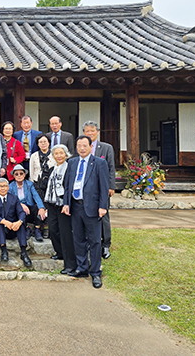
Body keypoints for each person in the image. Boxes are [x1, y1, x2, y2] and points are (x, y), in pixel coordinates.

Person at [63, 136, 110, 288]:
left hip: (92, 207)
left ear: (91, 147)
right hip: (76, 206)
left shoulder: (99, 163)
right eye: (79, 146)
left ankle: (95, 272)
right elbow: (68, 185)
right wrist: (66, 203)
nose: (82, 148)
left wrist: (103, 206)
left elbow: (104, 187)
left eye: (85, 145)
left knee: (95, 241)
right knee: (78, 239)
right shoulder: (72, 162)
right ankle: (82, 268)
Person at [83, 120, 116, 260]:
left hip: (102, 187)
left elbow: (111, 168)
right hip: (86, 188)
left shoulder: (106, 148)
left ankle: (106, 244)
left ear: (97, 132)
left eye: (92, 131)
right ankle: (90, 243)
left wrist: (111, 186)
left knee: (104, 215)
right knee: (87, 214)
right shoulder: (82, 147)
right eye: (87, 131)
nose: (90, 133)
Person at [44, 144, 77, 276]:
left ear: (66, 154)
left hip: (64, 204)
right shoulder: (53, 169)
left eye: (61, 153)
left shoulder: (69, 168)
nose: (58, 156)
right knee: (52, 229)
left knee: (65, 233)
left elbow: (69, 187)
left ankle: (70, 264)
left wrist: (67, 203)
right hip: (52, 203)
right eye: (56, 153)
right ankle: (59, 252)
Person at [0, 178, 32, 267]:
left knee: (21, 224)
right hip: (0, 231)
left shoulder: (14, 198)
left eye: (4, 186)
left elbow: (21, 212)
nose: (2, 188)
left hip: (13, 228)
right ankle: (4, 251)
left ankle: (24, 252)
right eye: (0, 186)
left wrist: (19, 222)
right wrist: (5, 222)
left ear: (8, 187)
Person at [8, 164, 45, 242]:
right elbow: (10, 199)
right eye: (16, 174)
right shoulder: (11, 186)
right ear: (14, 176)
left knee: (37, 207)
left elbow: (36, 196)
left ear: (24, 174)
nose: (19, 175)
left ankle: (37, 229)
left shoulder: (29, 184)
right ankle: (26, 228)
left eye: (21, 173)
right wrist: (20, 205)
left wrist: (41, 208)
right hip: (19, 210)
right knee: (19, 209)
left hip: (30, 208)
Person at [29, 134, 55, 238]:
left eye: (45, 141)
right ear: (38, 144)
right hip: (37, 184)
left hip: (50, 184)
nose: (43, 144)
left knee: (49, 205)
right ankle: (38, 227)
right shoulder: (34, 156)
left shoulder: (53, 155)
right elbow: (31, 172)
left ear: (49, 143)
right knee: (39, 206)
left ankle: (47, 227)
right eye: (40, 142)